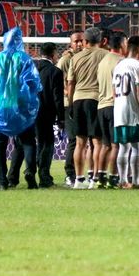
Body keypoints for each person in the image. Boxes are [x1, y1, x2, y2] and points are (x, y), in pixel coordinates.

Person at [0, 28, 42, 190]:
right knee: (28, 142)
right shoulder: (25, 59)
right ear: (20, 41)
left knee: (0, 144)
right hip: (21, 107)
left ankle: (1, 181)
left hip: (1, 107)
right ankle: (30, 172)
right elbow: (34, 82)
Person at [67, 27, 109, 189]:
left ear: (85, 41)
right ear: (102, 41)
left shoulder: (75, 58)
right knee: (97, 142)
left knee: (80, 143)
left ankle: (79, 179)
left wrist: (70, 103)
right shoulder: (105, 55)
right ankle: (95, 178)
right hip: (95, 100)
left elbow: (71, 83)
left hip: (78, 100)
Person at [112, 36, 139, 188]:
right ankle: (136, 181)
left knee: (123, 146)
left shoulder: (118, 66)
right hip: (132, 112)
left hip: (119, 111)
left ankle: (122, 181)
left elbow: (113, 91)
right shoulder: (138, 67)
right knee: (137, 147)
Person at [95, 30, 126, 188]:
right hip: (115, 106)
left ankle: (100, 176)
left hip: (101, 106)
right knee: (116, 145)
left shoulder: (103, 61)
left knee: (105, 145)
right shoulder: (121, 62)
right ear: (121, 44)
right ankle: (113, 178)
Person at [34, 42, 65, 188]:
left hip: (29, 113)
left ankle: (27, 173)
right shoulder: (55, 72)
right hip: (46, 113)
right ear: (53, 54)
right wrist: (61, 117)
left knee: (30, 145)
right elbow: (57, 97)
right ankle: (44, 178)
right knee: (47, 144)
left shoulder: (32, 69)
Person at [57, 30, 84, 187]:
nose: (79, 43)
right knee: (73, 139)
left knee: (83, 140)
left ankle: (83, 174)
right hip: (69, 104)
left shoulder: (83, 58)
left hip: (82, 102)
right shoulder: (65, 60)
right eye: (76, 41)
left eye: (81, 40)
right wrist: (69, 93)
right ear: (71, 44)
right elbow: (58, 81)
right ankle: (69, 174)